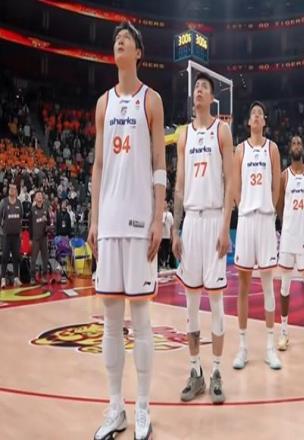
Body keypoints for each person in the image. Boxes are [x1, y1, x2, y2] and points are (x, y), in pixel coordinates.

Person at [87, 21, 166, 440]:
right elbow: (99, 165)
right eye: (116, 39)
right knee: (110, 320)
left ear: (138, 52)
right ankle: (115, 407)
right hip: (110, 220)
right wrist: (94, 219)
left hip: (139, 220)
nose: (119, 41)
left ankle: (143, 408)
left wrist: (158, 216)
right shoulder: (103, 103)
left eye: (127, 39)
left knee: (141, 317)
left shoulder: (151, 100)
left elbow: (159, 164)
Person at [172, 72, 234, 404]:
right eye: (196, 87)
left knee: (217, 301)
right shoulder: (184, 135)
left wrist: (225, 227)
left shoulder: (221, 130)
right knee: (192, 305)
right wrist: (175, 227)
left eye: (204, 88)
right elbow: (180, 184)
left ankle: (218, 372)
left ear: (212, 98)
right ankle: (195, 371)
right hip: (191, 223)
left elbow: (230, 181)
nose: (198, 90)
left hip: (213, 219)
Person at [233, 101, 282, 370]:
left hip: (264, 219)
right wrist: (242, 206)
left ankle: (270, 347)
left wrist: (270, 208)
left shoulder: (272, 148)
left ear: (264, 121)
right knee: (243, 286)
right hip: (246, 219)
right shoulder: (240, 149)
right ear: (248, 121)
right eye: (252, 114)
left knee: (267, 285)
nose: (255, 117)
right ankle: (242, 347)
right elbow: (235, 185)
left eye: (260, 114)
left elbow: (276, 184)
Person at [276, 135, 304, 352]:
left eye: (299, 143)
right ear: (289, 148)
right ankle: (284, 330)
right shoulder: (284, 176)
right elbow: (279, 206)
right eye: (293, 143)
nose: (296, 146)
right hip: (288, 236)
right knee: (284, 285)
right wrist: (289, 224)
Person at [0, 183, 23, 288]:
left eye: (13, 188)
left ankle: (16, 278)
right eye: (10, 188)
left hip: (16, 235)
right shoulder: (3, 202)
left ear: (16, 191)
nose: (11, 190)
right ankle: (3, 279)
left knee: (16, 257)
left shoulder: (19, 203)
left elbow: (21, 217)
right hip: (6, 235)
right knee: (4, 257)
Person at [29, 190, 50, 283]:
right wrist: (30, 238)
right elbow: (30, 225)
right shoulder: (32, 210)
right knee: (33, 258)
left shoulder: (46, 209)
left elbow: (49, 222)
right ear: (35, 198)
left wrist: (47, 223)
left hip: (44, 237)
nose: (40, 196)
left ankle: (44, 276)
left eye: (41, 195)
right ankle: (32, 277)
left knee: (45, 257)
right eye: (38, 195)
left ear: (43, 198)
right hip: (35, 238)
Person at [159, 200, 173, 269]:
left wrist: (171, 235)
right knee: (161, 250)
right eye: (163, 203)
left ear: (167, 204)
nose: (164, 205)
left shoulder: (170, 214)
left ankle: (166, 263)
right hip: (161, 235)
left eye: (165, 203)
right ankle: (161, 263)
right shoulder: (160, 213)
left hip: (167, 235)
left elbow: (172, 226)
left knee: (167, 250)